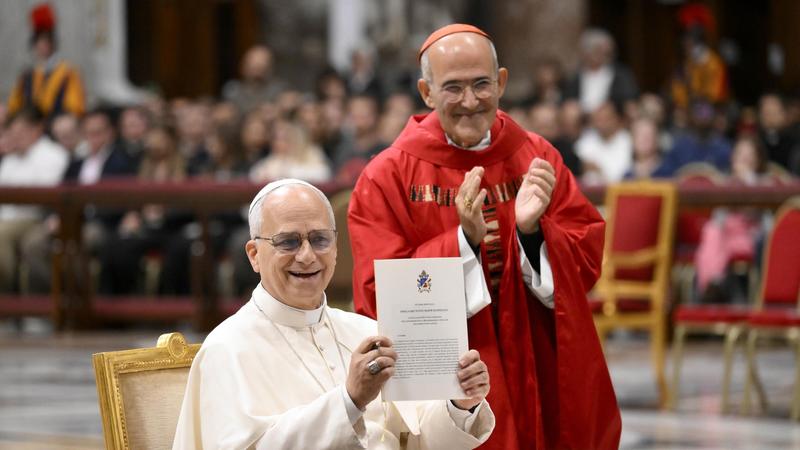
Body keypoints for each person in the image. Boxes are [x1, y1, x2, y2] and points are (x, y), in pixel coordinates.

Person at [348, 24, 620, 450]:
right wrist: (463, 244)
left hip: (535, 357)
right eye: (453, 87)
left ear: (502, 83)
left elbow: (585, 254)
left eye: (481, 84)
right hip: (450, 373)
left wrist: (533, 234)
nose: (470, 101)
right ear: (426, 91)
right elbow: (375, 292)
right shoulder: (387, 177)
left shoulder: (537, 157)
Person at [173, 179, 495, 449]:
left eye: (319, 239)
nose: (307, 255)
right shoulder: (227, 349)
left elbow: (416, 440)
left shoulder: (367, 332)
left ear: (337, 247)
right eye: (288, 242)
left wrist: (460, 404)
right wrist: (349, 400)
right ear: (255, 255)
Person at [0, 106, 69, 292]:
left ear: (37, 129)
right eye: (13, 132)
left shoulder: (54, 154)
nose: (16, 137)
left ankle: (7, 306)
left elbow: (43, 194)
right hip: (7, 217)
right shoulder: (10, 158)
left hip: (34, 216)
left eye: (21, 132)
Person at [7, 3, 85, 120]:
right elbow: (14, 105)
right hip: (30, 126)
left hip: (56, 126)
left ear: (53, 44)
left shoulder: (67, 72)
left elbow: (75, 107)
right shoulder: (27, 74)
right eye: (39, 43)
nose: (42, 47)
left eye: (46, 43)